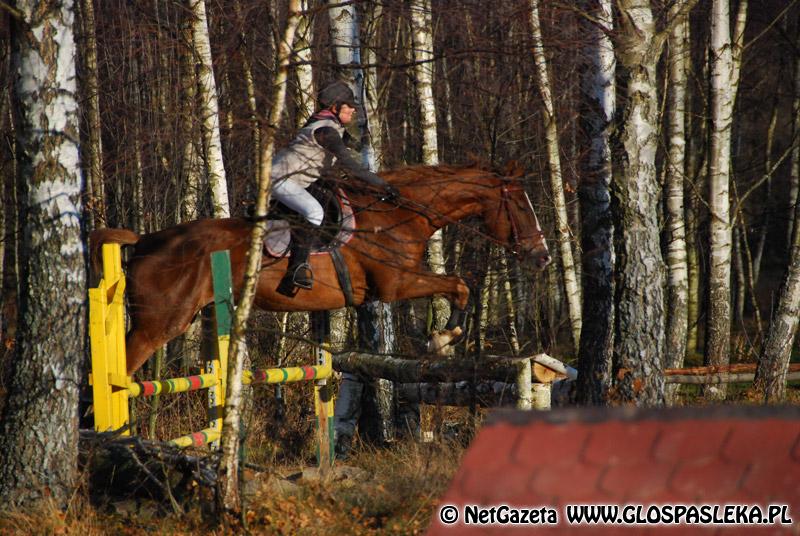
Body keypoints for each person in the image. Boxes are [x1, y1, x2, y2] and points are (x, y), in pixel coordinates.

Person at [271, 81, 400, 295]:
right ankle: (297, 268)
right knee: (314, 211)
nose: (353, 109)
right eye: (348, 105)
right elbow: (351, 166)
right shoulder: (325, 132)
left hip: (297, 180)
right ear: (335, 107)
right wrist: (383, 185)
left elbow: (356, 145)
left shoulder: (332, 128)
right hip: (279, 180)